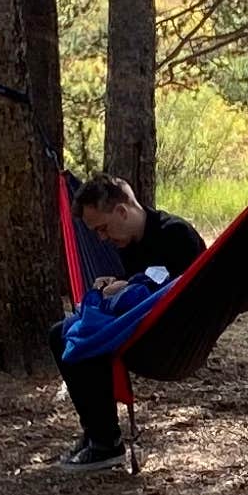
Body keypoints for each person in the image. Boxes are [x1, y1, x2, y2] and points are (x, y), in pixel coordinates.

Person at [54, 173, 205, 474]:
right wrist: (115, 285)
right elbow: (143, 284)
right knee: (61, 334)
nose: (102, 239)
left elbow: (189, 289)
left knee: (89, 339)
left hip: (176, 334)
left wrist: (128, 289)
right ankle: (97, 433)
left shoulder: (175, 234)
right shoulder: (128, 244)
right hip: (140, 329)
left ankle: (106, 444)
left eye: (103, 228)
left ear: (122, 211)